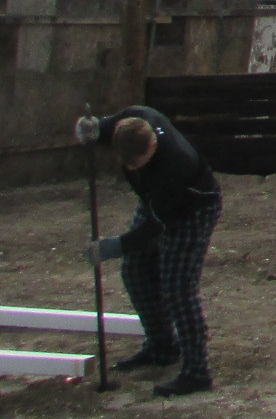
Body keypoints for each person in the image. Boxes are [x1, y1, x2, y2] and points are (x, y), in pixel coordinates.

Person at [76, 105, 222, 397]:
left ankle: (197, 372)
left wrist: (114, 246)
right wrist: (87, 128)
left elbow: (156, 227)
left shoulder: (176, 164)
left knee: (177, 288)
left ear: (153, 145)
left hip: (192, 209)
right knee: (135, 273)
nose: (133, 169)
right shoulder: (128, 123)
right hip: (154, 201)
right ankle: (161, 347)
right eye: (127, 164)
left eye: (138, 163)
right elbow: (99, 127)